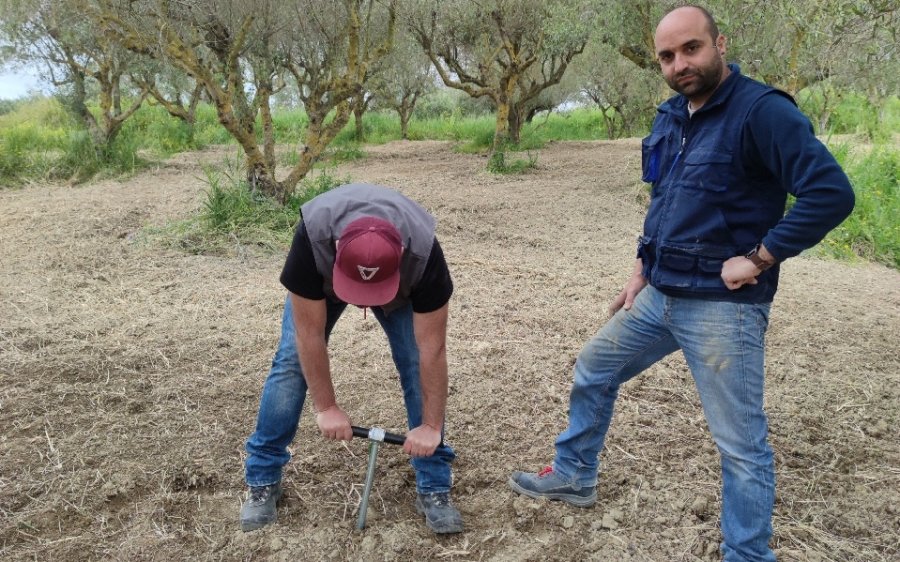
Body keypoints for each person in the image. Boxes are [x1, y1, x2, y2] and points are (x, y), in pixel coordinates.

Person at [508, 5, 854, 561]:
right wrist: (640, 271)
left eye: (690, 49)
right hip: (661, 294)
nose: (679, 64)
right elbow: (664, 203)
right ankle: (575, 474)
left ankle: (746, 553)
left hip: (724, 307)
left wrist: (761, 257)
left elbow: (832, 193)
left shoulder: (762, 112)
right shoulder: (673, 115)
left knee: (741, 446)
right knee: (595, 368)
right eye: (667, 56)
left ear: (720, 43)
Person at [240, 183, 463, 534]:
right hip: (326, 276)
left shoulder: (423, 255)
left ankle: (434, 485)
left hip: (401, 286)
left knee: (413, 361)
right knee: (290, 363)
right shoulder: (313, 239)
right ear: (337, 247)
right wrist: (326, 406)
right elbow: (308, 336)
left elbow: (431, 352)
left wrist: (431, 426)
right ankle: (262, 477)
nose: (363, 303)